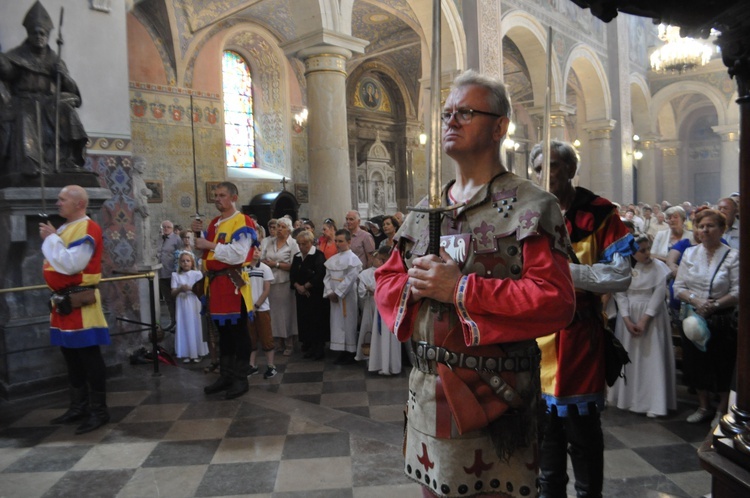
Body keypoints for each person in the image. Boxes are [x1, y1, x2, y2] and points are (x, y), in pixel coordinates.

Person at [375, 71, 575, 498]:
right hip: (428, 391)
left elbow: (556, 301)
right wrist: (414, 284)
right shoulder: (425, 210)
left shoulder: (533, 207)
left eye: (466, 112)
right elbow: (386, 277)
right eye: (447, 113)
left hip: (498, 396)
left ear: (499, 126)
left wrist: (461, 289)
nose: (451, 121)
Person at [530, 139, 635, 498]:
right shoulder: (530, 214)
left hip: (581, 338)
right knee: (546, 441)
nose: (546, 176)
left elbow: (621, 275)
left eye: (554, 167)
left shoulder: (601, 213)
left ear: (572, 170)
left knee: (583, 436)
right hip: (538, 341)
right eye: (539, 169)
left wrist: (567, 276)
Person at [41, 185, 111, 435]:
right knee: (70, 356)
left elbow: (72, 264)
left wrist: (50, 239)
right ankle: (78, 406)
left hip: (80, 302)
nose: (57, 203)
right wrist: (54, 237)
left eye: (62, 199)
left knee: (88, 357)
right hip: (63, 303)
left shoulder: (87, 227)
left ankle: (99, 411)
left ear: (79, 203)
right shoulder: (64, 228)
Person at [0, 1, 87, 177]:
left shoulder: (54, 59)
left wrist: (62, 75)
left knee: (67, 111)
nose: (39, 36)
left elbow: (71, 90)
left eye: (42, 33)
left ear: (47, 35)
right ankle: (30, 163)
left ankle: (69, 159)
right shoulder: (17, 56)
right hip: (22, 101)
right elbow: (6, 72)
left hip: (49, 102)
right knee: (26, 116)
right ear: (29, 35)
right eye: (35, 33)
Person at [191, 181, 258, 400]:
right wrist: (198, 240)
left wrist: (209, 245)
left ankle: (240, 378)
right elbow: (207, 254)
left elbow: (238, 255)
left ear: (233, 198)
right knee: (223, 334)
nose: (217, 199)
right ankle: (226, 375)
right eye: (215, 195)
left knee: (239, 332)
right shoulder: (214, 223)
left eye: (221, 195)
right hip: (215, 285)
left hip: (233, 283)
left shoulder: (242, 221)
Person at [674, 208, 739, 427]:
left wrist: (715, 304)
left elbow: (739, 290)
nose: (705, 230)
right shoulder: (690, 253)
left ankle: (722, 410)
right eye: (701, 226)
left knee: (722, 364)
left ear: (722, 229)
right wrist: (696, 301)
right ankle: (703, 406)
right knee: (696, 363)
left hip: (721, 317)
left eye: (710, 226)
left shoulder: (732, 255)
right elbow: (678, 286)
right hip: (694, 315)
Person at [607, 235, 676, 418]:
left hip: (652, 317)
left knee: (652, 358)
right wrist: (627, 319)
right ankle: (629, 399)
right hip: (629, 316)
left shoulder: (658, 267)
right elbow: (620, 294)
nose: (647, 253)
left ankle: (654, 402)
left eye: (648, 249)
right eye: (642, 250)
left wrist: (645, 319)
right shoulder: (623, 268)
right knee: (630, 357)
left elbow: (659, 294)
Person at [358, 246, 400, 375]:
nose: (380, 262)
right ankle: (381, 363)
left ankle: (391, 365)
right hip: (380, 309)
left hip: (390, 310)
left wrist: (376, 291)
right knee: (379, 336)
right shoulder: (382, 272)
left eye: (382, 259)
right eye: (379, 259)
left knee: (390, 339)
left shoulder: (395, 272)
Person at [261, 217, 299, 355]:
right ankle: (278, 342)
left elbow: (295, 265)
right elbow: (262, 258)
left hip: (285, 282)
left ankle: (289, 341)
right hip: (271, 281)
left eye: (282, 227)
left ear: (289, 230)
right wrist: (265, 262)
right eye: (278, 227)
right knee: (275, 314)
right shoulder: (270, 242)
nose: (279, 229)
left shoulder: (293, 244)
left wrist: (276, 264)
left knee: (287, 313)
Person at [324, 229, 362, 365]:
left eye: (341, 241)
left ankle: (350, 351)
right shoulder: (332, 259)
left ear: (349, 242)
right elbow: (327, 278)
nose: (338, 244)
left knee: (348, 323)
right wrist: (329, 292)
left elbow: (350, 278)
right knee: (337, 323)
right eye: (336, 241)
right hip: (334, 298)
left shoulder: (353, 259)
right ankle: (341, 350)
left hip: (347, 297)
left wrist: (338, 292)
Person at [290, 230, 329, 360]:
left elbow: (320, 275)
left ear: (311, 243)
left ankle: (319, 348)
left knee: (316, 321)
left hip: (315, 295)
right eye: (299, 244)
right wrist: (298, 286)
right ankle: (309, 346)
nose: (301, 247)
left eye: (304, 244)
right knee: (305, 321)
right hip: (301, 295)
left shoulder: (318, 255)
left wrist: (306, 286)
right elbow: (293, 274)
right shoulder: (297, 257)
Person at [171, 251, 208, 364]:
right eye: (183, 261)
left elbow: (202, 290)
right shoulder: (175, 275)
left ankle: (197, 352)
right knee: (185, 325)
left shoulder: (197, 274)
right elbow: (172, 293)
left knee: (195, 325)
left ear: (192, 262)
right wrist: (180, 289)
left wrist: (192, 289)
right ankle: (186, 352)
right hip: (182, 303)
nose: (185, 263)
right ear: (180, 263)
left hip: (194, 303)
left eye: (188, 261)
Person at [247, 249, 276, 379]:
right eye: (254, 250)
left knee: (266, 337)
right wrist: (248, 307)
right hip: (247, 309)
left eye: (259, 250)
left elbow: (266, 290)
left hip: (262, 308)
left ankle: (271, 366)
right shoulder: (243, 268)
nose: (256, 252)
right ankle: (252, 365)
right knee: (250, 338)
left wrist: (256, 306)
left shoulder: (265, 268)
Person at [157, 220, 182, 330]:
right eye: (164, 227)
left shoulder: (176, 239)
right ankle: (172, 321)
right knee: (168, 300)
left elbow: (181, 255)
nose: (166, 229)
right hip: (161, 274)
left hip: (173, 274)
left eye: (168, 227)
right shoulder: (159, 239)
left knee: (176, 299)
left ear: (172, 228)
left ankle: (179, 322)